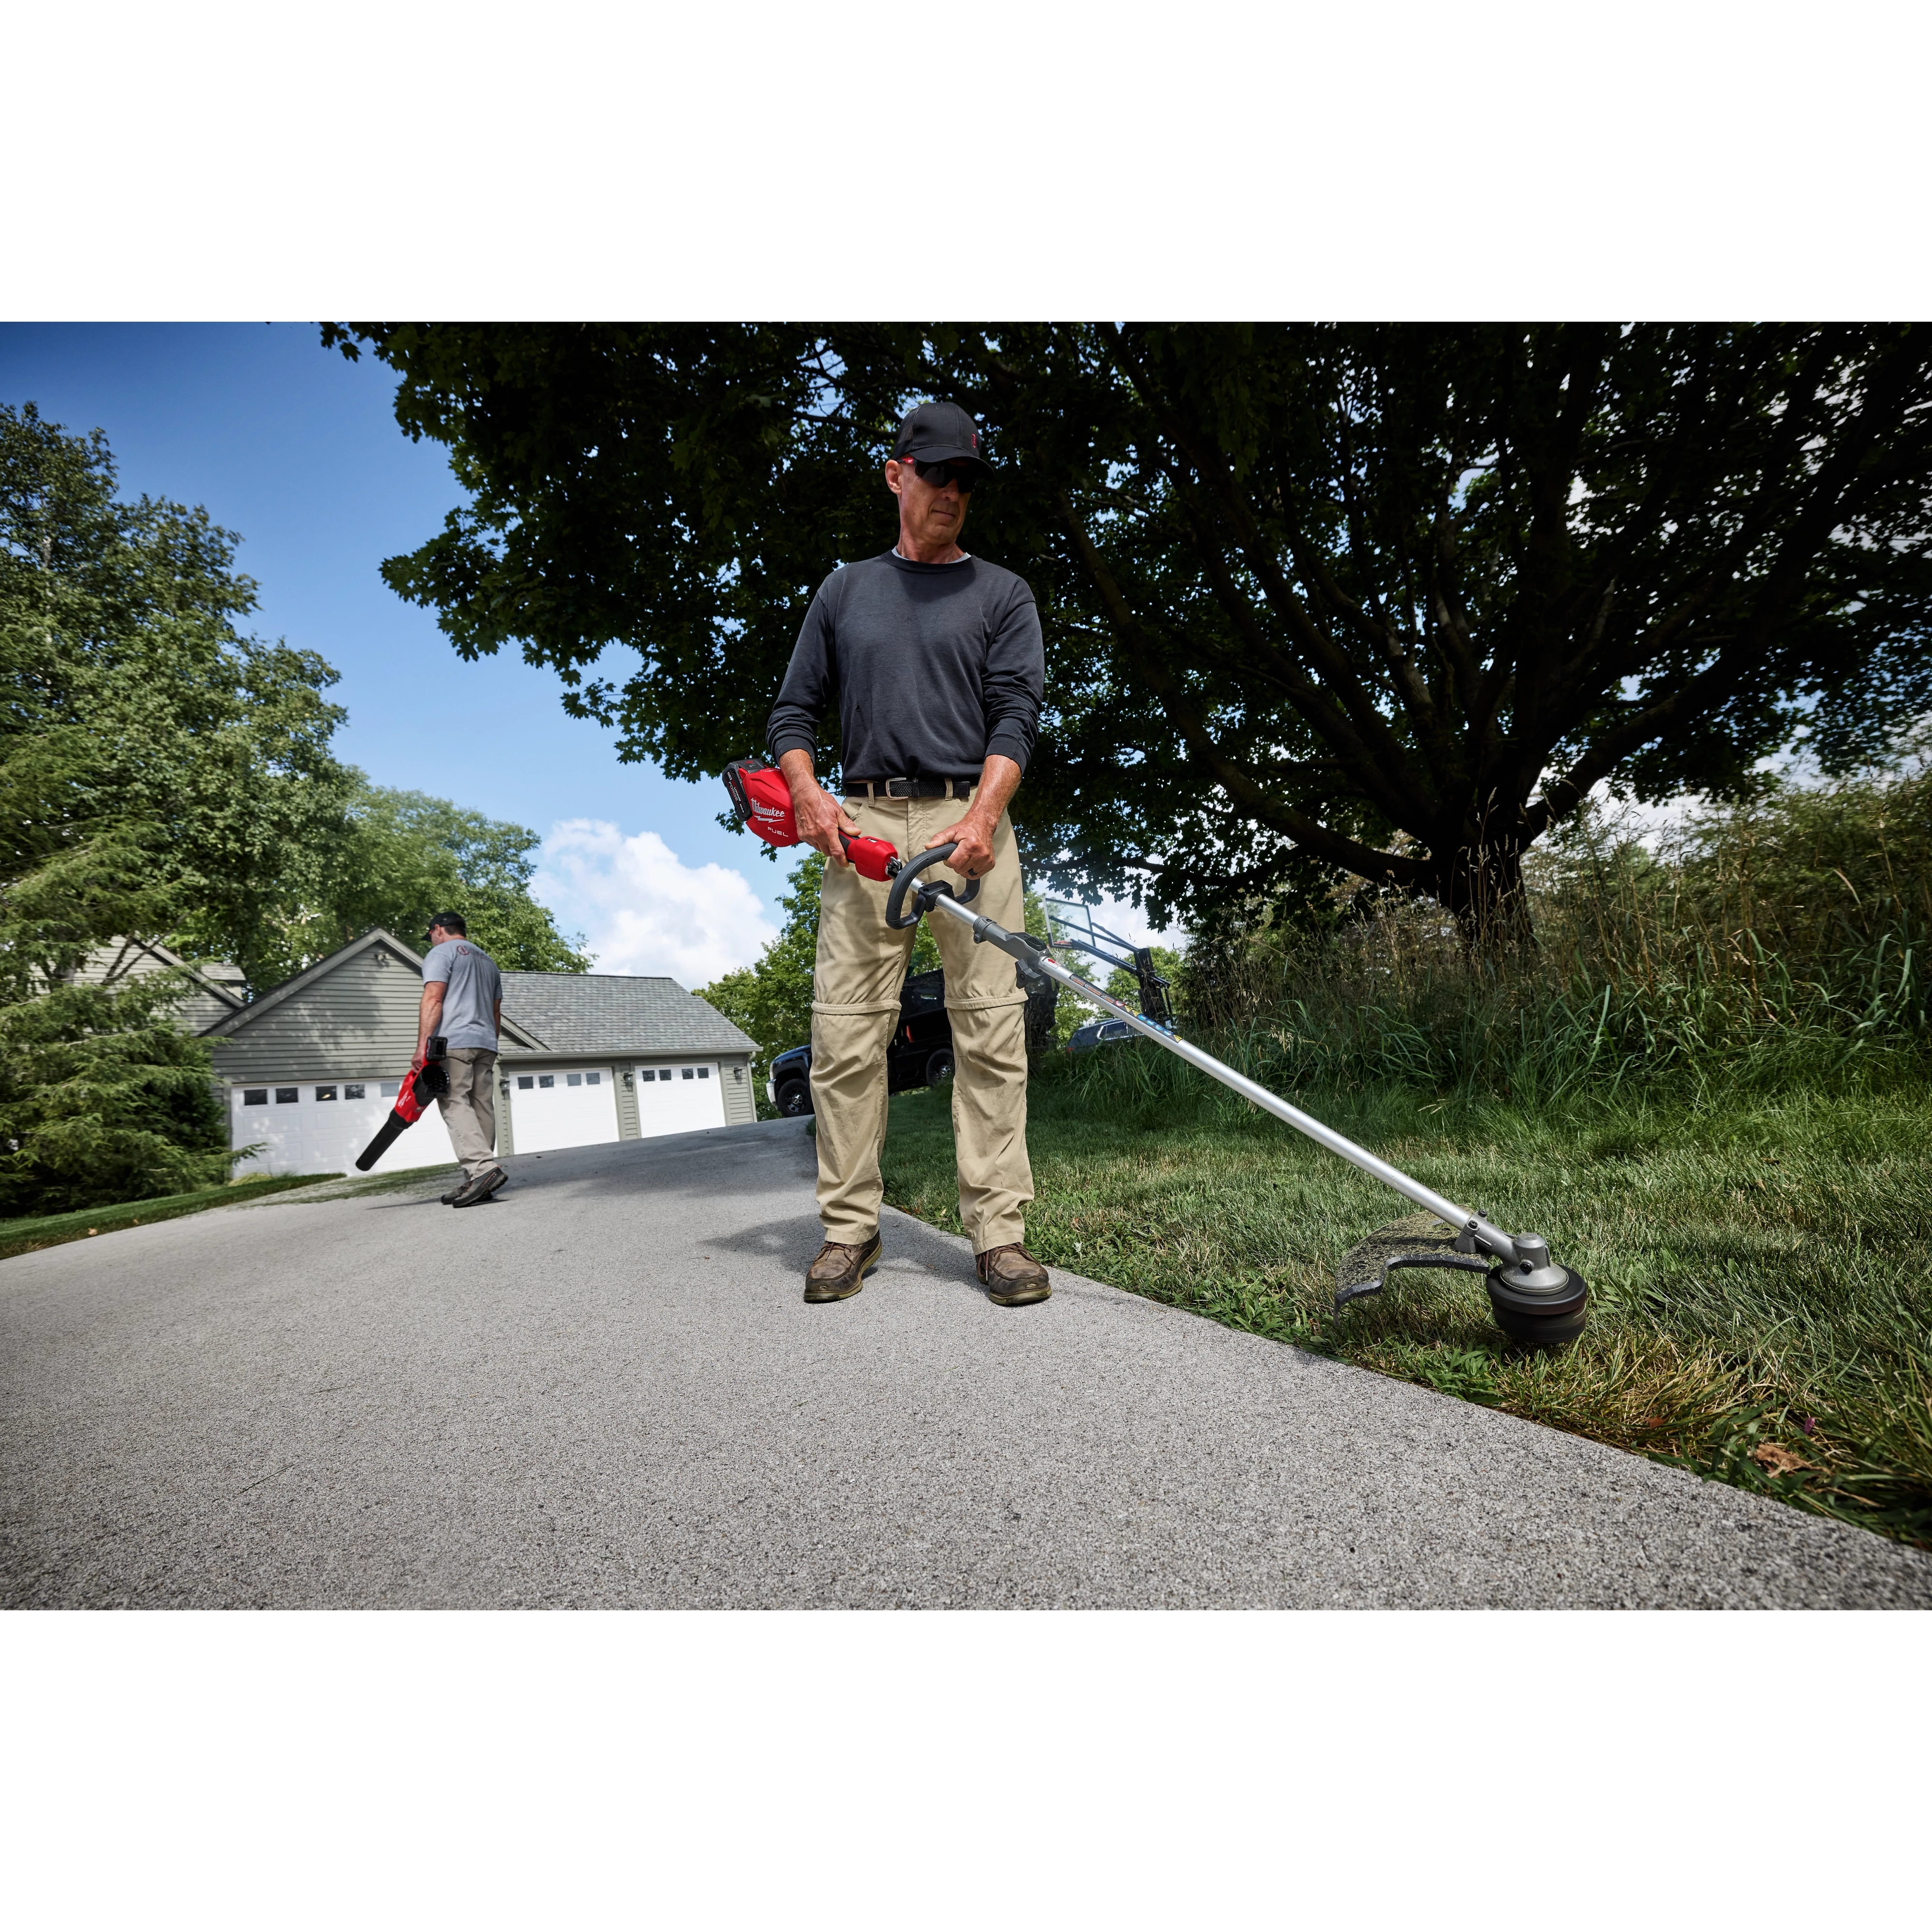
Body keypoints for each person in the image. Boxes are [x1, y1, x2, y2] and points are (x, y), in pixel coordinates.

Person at [766, 400, 1050, 1308]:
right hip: (863, 827)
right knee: (846, 1035)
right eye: (937, 475)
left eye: (966, 480)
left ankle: (999, 1236)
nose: (953, 493)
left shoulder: (1003, 594)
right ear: (896, 475)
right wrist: (808, 792)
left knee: (991, 1029)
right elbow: (791, 714)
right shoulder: (845, 591)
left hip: (974, 818)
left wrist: (983, 816)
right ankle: (849, 1232)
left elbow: (1017, 714)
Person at [419, 912, 507, 1208]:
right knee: (482, 1104)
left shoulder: (441, 953)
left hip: (454, 1043)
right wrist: (491, 1044)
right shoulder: (488, 962)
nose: (430, 938)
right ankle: (478, 1178)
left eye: (430, 933)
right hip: (485, 1042)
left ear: (439, 930)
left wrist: (423, 1046)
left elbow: (434, 999)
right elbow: (496, 1012)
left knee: (454, 1101)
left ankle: (483, 1170)